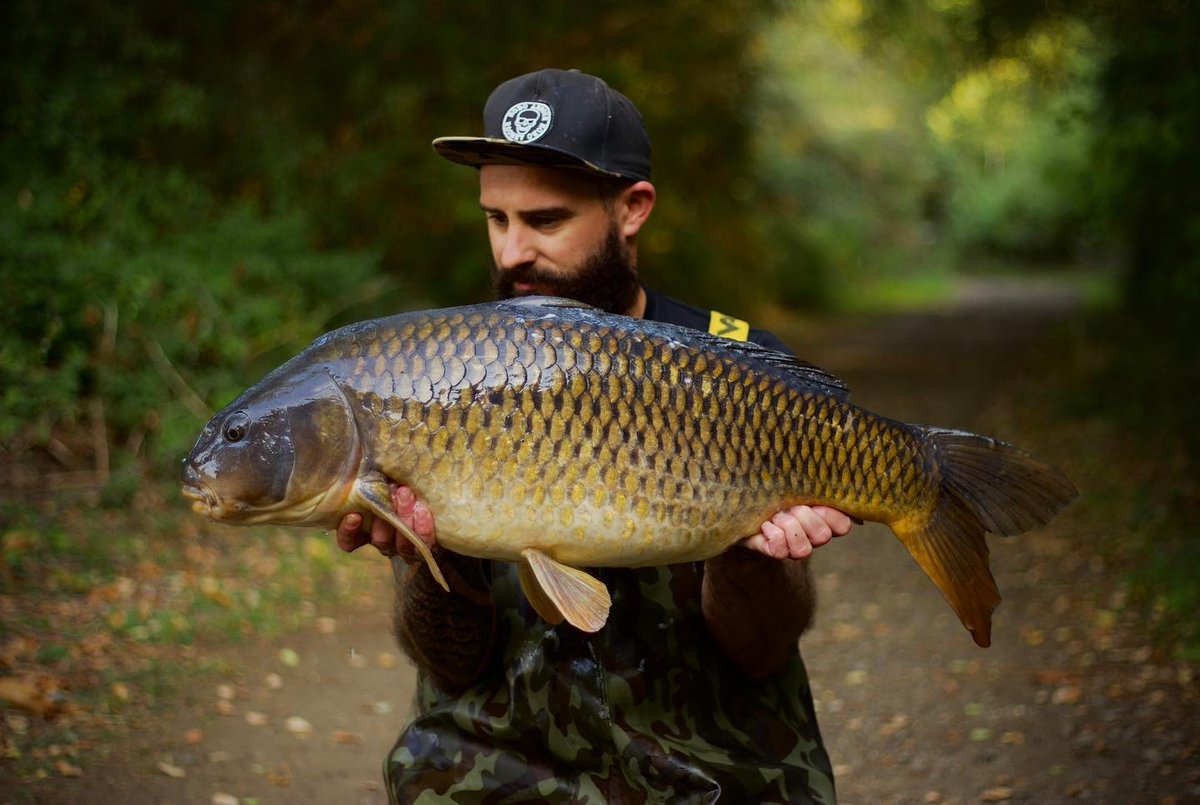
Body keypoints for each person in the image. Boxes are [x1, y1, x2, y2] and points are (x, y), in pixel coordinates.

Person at [336, 68, 853, 803]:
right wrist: (429, 557)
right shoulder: (444, 375)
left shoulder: (742, 371)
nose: (512, 252)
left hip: (709, 770)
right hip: (494, 768)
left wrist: (752, 556)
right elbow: (449, 663)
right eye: (496, 219)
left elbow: (761, 650)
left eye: (544, 220)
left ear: (632, 208)